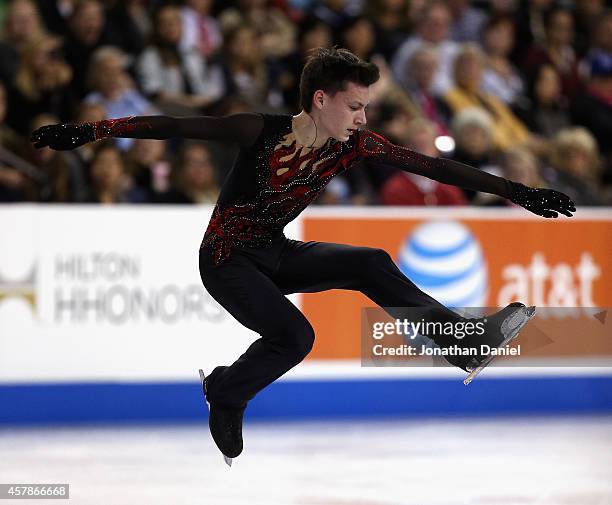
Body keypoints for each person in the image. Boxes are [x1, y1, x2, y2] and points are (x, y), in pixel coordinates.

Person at [30, 47, 575, 461]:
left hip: (276, 251)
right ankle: (225, 392)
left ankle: (464, 344)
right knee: (296, 337)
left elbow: (435, 167)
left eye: (365, 108)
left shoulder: (355, 144)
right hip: (225, 260)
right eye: (355, 106)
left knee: (370, 262)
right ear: (321, 100)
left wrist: (520, 193)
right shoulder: (259, 131)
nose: (362, 118)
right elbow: (170, 126)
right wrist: (86, 132)